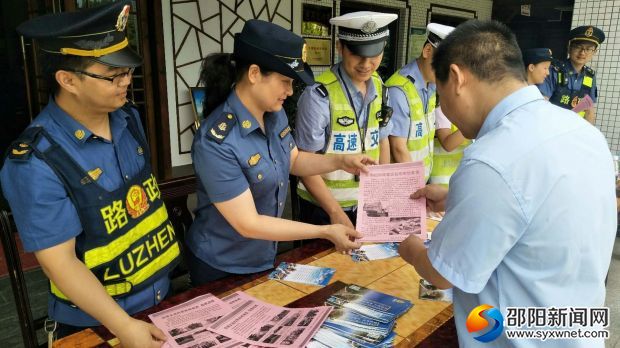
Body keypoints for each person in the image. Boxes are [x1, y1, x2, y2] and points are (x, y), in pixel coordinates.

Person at [399, 20, 616, 347]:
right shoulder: (581, 130)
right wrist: (457, 197)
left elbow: (442, 273)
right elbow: (542, 208)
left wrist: (408, 244)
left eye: (441, 96)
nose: (444, 109)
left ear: (457, 79)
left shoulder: (491, 159)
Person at [1, 2, 178, 346]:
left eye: (128, 71)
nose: (126, 81)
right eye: (113, 75)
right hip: (98, 324)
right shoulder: (35, 160)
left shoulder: (128, 118)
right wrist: (124, 326)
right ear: (68, 80)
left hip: (161, 302)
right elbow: (59, 264)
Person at [187, 19, 369, 286]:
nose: (290, 91)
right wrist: (326, 230)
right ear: (253, 74)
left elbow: (293, 159)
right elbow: (248, 223)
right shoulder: (217, 141)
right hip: (221, 266)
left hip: (261, 256)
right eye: (285, 81)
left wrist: (340, 161)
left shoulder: (274, 114)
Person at [294, 12, 397, 228]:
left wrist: (383, 192)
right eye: (358, 54)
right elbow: (303, 162)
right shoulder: (318, 96)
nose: (366, 64)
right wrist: (335, 212)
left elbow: (382, 141)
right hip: (323, 211)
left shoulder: (381, 87)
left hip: (368, 206)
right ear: (340, 47)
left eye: (374, 54)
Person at [386, 23, 454, 181]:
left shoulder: (431, 85)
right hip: (402, 184)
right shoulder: (399, 90)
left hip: (420, 179)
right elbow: (398, 148)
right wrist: (416, 188)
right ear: (427, 51)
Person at [539, 26, 605, 123]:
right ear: (569, 47)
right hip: (552, 127)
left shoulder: (590, 76)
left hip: (575, 130)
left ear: (594, 52)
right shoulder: (554, 71)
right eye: (578, 47)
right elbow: (542, 105)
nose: (582, 52)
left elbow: (589, 111)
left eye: (588, 49)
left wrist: (587, 135)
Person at [428, 106, 469, 186]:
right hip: (442, 180)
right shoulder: (442, 111)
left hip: (462, 176)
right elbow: (448, 145)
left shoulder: (467, 113)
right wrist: (473, 125)